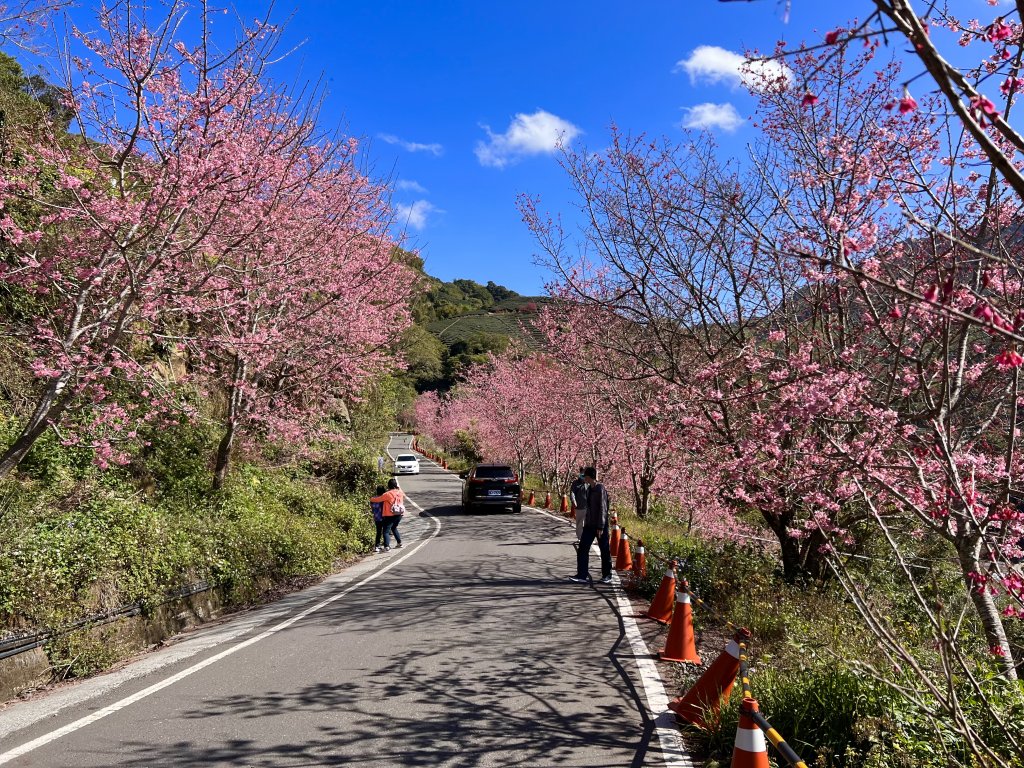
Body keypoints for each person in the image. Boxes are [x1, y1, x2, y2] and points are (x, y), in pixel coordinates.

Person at [569, 467, 612, 585]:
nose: (584, 478)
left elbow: (603, 508)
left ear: (589, 477)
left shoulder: (600, 489)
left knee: (604, 550)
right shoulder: (589, 489)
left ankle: (607, 575)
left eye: (585, 476)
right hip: (589, 525)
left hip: (599, 525)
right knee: (582, 548)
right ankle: (582, 575)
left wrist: (601, 526)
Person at [371, 478, 406, 551]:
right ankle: (399, 543)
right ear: (396, 485)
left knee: (386, 531)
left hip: (390, 515)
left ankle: (387, 546)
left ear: (388, 485)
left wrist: (371, 499)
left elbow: (378, 499)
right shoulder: (400, 492)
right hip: (399, 514)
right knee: (393, 527)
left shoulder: (388, 494)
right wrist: (398, 488)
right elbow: (404, 495)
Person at [569, 468, 588, 549]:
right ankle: (580, 537)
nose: (583, 477)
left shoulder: (588, 483)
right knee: (579, 523)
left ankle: (585, 538)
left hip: (588, 507)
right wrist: (574, 501)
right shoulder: (575, 483)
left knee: (586, 523)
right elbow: (572, 492)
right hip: (579, 507)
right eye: (582, 475)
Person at [370, 485, 387, 553]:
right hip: (384, 517)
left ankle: (377, 546)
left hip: (376, 517)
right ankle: (386, 545)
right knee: (385, 532)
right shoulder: (383, 499)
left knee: (378, 532)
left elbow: (372, 507)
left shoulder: (373, 499)